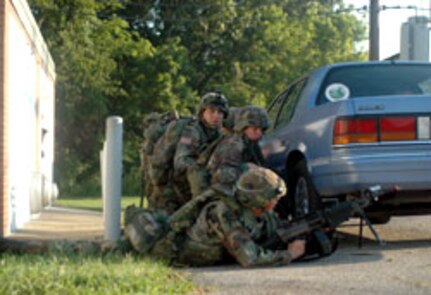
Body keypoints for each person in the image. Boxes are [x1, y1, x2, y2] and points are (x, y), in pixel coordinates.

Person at [126, 167, 306, 267]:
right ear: (258, 199)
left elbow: (276, 229)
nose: (276, 201)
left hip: (214, 256)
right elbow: (250, 258)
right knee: (116, 248)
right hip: (172, 254)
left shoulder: (259, 212)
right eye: (273, 197)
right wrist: (290, 254)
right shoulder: (223, 212)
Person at [173, 92, 229, 202]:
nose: (216, 115)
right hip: (186, 182)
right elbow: (180, 161)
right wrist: (201, 167)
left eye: (220, 112)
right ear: (203, 112)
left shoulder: (223, 134)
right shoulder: (191, 132)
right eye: (212, 111)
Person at [206, 105, 269, 197]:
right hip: (219, 192)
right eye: (255, 129)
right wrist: (245, 168)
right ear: (243, 128)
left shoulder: (251, 144)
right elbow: (221, 175)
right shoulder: (233, 145)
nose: (259, 133)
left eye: (262, 129)